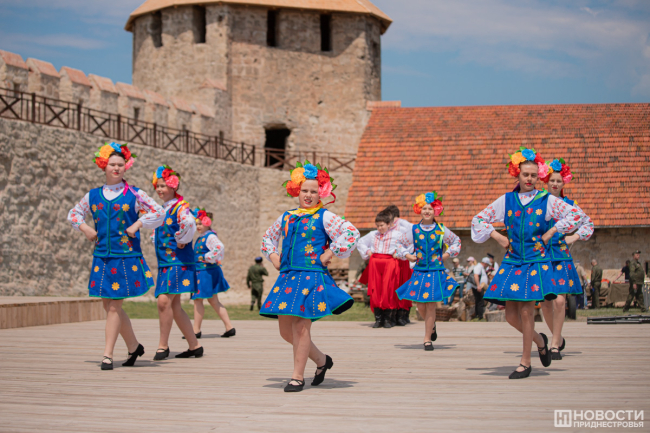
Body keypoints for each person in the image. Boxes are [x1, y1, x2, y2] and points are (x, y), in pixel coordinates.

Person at [472, 147, 592, 379]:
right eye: (525, 174)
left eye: (534, 175)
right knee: (510, 315)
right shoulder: (507, 200)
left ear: (539, 177)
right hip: (513, 260)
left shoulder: (546, 200)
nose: (529, 179)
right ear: (517, 175)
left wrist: (553, 231)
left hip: (536, 261)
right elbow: (478, 219)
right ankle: (540, 340)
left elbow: (577, 216)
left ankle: (525, 362)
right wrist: (498, 236)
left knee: (527, 311)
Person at [260, 160, 359, 392]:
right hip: (287, 277)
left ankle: (297, 377)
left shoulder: (325, 217)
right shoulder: (286, 217)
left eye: (314, 191)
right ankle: (322, 360)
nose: (308, 195)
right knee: (286, 332)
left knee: (301, 328)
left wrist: (330, 252)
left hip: (311, 277)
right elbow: (268, 238)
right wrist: (273, 256)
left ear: (320, 193)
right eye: (304, 190)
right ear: (297, 191)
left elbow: (351, 232)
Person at [67, 142, 164, 370]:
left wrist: (138, 224)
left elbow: (159, 211)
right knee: (110, 306)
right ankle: (134, 346)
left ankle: (107, 355)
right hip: (102, 257)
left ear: (125, 167)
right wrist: (85, 228)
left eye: (121, 164)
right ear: (104, 165)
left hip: (125, 257)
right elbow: (73, 214)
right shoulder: (92, 195)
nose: (117, 168)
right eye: (112, 164)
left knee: (113, 307)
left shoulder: (135, 194)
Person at [539, 158, 594, 359]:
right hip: (542, 256)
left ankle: (554, 345)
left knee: (560, 301)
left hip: (561, 255)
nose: (555, 184)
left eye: (558, 181)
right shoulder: (539, 203)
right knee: (546, 302)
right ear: (546, 182)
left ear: (564, 182)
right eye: (552, 180)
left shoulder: (570, 205)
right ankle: (558, 337)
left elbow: (588, 224)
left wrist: (575, 236)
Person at [395, 191, 460, 350]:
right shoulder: (414, 230)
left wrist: (446, 255)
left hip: (436, 271)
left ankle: (427, 339)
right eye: (424, 208)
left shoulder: (441, 229)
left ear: (436, 210)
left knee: (431, 305)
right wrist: (407, 255)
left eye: (430, 208)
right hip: (419, 270)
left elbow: (456, 242)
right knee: (420, 306)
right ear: (419, 210)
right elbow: (399, 243)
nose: (427, 211)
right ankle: (431, 325)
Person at [151, 165, 203, 360]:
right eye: (157, 186)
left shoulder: (179, 207)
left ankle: (163, 346)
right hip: (167, 262)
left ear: (173, 186)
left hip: (177, 261)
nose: (159, 189)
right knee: (174, 306)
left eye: (163, 186)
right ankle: (194, 345)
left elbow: (189, 223)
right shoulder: (163, 209)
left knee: (164, 301)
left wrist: (182, 239)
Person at [189, 208, 235, 338]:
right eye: (196, 224)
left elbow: (219, 247)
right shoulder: (202, 237)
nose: (198, 226)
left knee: (198, 299)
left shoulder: (210, 236)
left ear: (207, 223)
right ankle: (229, 327)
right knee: (213, 300)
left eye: (200, 223)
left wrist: (206, 257)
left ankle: (196, 330)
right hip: (204, 272)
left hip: (205, 272)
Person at [357, 211, 405, 328]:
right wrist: (368, 251)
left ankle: (388, 319)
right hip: (375, 263)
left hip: (390, 263)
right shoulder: (373, 234)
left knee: (388, 289)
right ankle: (378, 319)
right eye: (377, 225)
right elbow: (360, 242)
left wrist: (398, 253)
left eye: (382, 225)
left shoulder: (397, 235)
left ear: (388, 224)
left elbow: (407, 245)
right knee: (376, 290)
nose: (379, 228)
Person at [383, 205, 414, 324]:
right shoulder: (388, 226)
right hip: (392, 261)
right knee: (392, 288)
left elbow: (413, 238)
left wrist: (405, 253)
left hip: (403, 260)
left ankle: (403, 315)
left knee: (404, 286)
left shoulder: (404, 225)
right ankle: (393, 315)